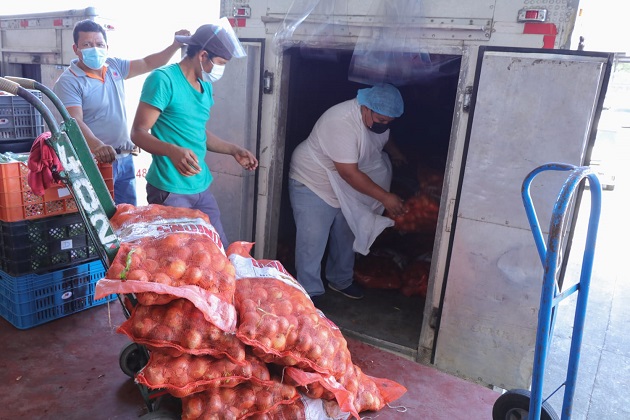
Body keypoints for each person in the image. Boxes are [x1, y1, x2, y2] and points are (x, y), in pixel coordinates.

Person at [130, 19, 258, 248]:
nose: (221, 70)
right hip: (170, 190)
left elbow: (197, 131)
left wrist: (233, 149)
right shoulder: (163, 80)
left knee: (217, 250)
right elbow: (138, 133)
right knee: (179, 259)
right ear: (202, 55)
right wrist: (172, 151)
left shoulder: (205, 85)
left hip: (200, 187)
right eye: (219, 63)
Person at [288, 83, 406, 303]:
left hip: (344, 183)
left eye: (389, 122)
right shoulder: (340, 122)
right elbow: (349, 173)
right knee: (312, 239)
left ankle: (340, 280)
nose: (384, 126)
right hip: (314, 181)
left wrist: (396, 153)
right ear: (366, 108)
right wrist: (385, 198)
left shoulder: (378, 120)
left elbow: (384, 138)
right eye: (380, 121)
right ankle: (309, 292)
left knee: (347, 232)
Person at [53, 19, 190, 206]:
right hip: (96, 162)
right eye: (87, 45)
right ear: (76, 49)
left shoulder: (113, 67)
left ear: (106, 47)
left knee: (128, 216)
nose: (95, 49)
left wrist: (175, 45)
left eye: (99, 44)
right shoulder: (69, 81)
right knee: (104, 219)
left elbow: (148, 62)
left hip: (124, 158)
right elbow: (74, 121)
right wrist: (97, 146)